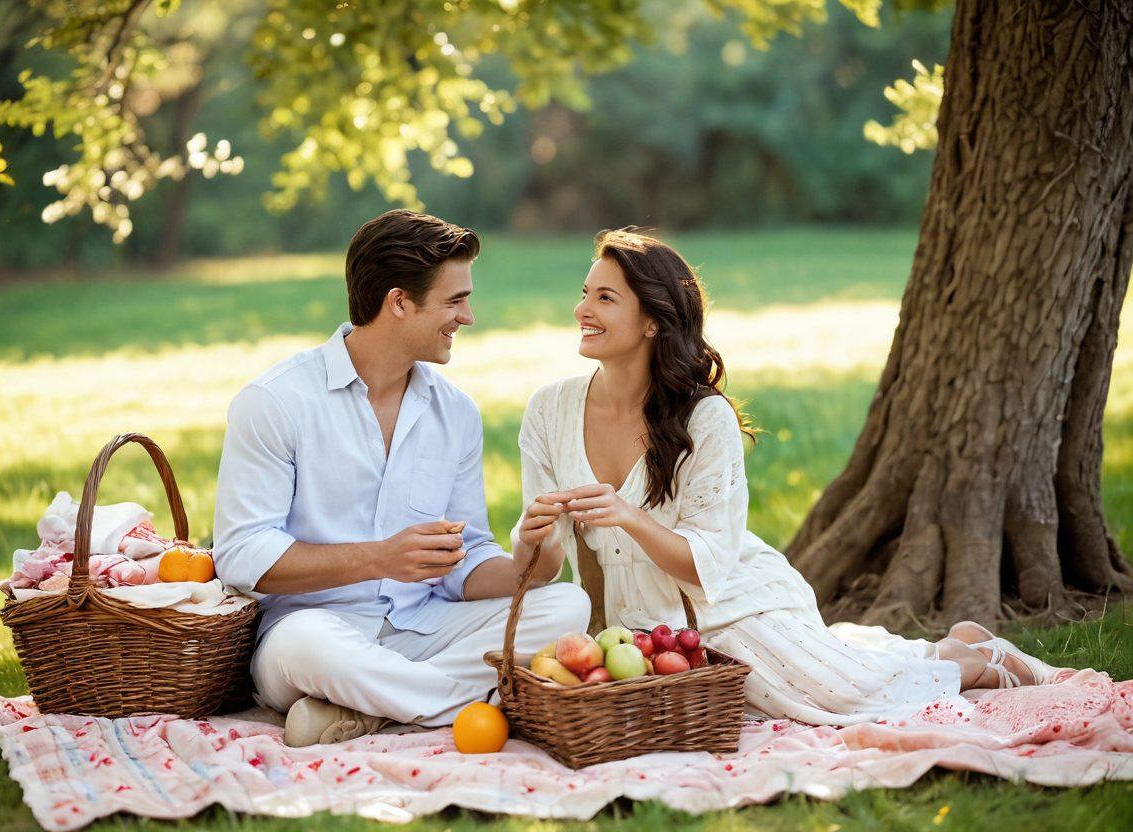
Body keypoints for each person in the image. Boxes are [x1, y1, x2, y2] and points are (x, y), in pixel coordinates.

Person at [511, 228, 1054, 726]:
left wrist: (628, 518)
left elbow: (707, 570)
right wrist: (533, 536)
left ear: (653, 320)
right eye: (585, 293)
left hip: (727, 608)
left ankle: (974, 658)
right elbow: (547, 566)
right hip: (631, 635)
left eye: (605, 298)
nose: (582, 309)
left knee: (837, 698)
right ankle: (920, 651)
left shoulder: (704, 419)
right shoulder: (549, 410)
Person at [213, 209, 590, 746]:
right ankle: (484, 703)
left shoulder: (455, 412)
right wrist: (378, 558)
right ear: (398, 302)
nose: (468, 317)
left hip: (425, 628)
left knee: (568, 607)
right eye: (455, 300)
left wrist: (534, 563)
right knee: (306, 644)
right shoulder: (275, 403)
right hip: (314, 634)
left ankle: (374, 710)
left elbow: (465, 559)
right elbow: (243, 555)